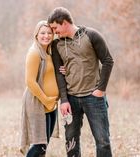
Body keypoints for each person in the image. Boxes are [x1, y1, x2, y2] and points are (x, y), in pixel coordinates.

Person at [48, 7, 114, 157]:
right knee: (71, 141)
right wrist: (64, 99)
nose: (54, 32)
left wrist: (100, 90)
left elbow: (108, 61)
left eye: (54, 27)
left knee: (102, 141)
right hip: (71, 99)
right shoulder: (56, 44)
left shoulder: (91, 35)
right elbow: (59, 73)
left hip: (94, 97)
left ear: (64, 22)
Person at [19, 20, 59, 157]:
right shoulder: (34, 53)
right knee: (39, 146)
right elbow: (30, 81)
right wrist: (46, 100)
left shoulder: (49, 53)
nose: (46, 36)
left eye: (49, 33)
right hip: (38, 103)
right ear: (36, 35)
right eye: (42, 33)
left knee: (44, 145)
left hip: (51, 105)